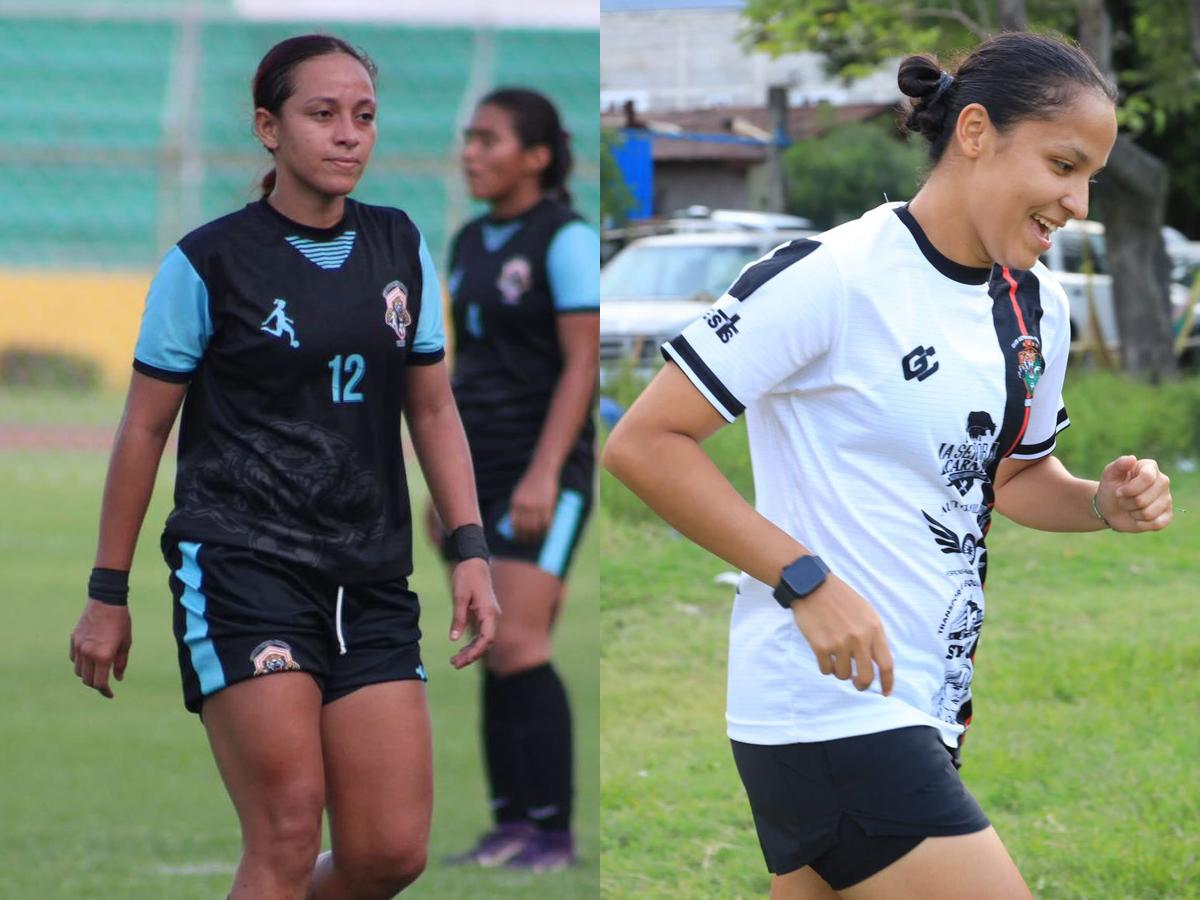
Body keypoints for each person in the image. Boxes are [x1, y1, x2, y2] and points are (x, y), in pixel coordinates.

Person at [604, 31, 1172, 900]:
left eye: (1090, 174)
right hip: (825, 707)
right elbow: (643, 443)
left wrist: (1101, 502)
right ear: (975, 131)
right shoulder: (830, 276)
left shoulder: (1037, 307)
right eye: (1063, 164)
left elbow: (1014, 481)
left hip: (923, 703)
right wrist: (805, 580)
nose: (1079, 201)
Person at [68, 34, 499, 900]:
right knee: (289, 829)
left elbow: (433, 408)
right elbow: (144, 431)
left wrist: (473, 549)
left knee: (388, 854)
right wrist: (105, 592)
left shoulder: (401, 246)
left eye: (365, 116)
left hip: (370, 575)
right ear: (269, 127)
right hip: (242, 564)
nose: (348, 134)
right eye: (322, 113)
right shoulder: (207, 261)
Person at [436, 87, 599, 871]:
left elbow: (581, 364)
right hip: (480, 466)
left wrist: (543, 473)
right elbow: (462, 374)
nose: (472, 152)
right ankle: (510, 825)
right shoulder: (468, 241)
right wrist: (449, 491)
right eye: (469, 138)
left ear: (535, 157)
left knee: (523, 641)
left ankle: (553, 834)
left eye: (489, 139)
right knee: (491, 644)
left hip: (545, 472)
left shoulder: (562, 238)